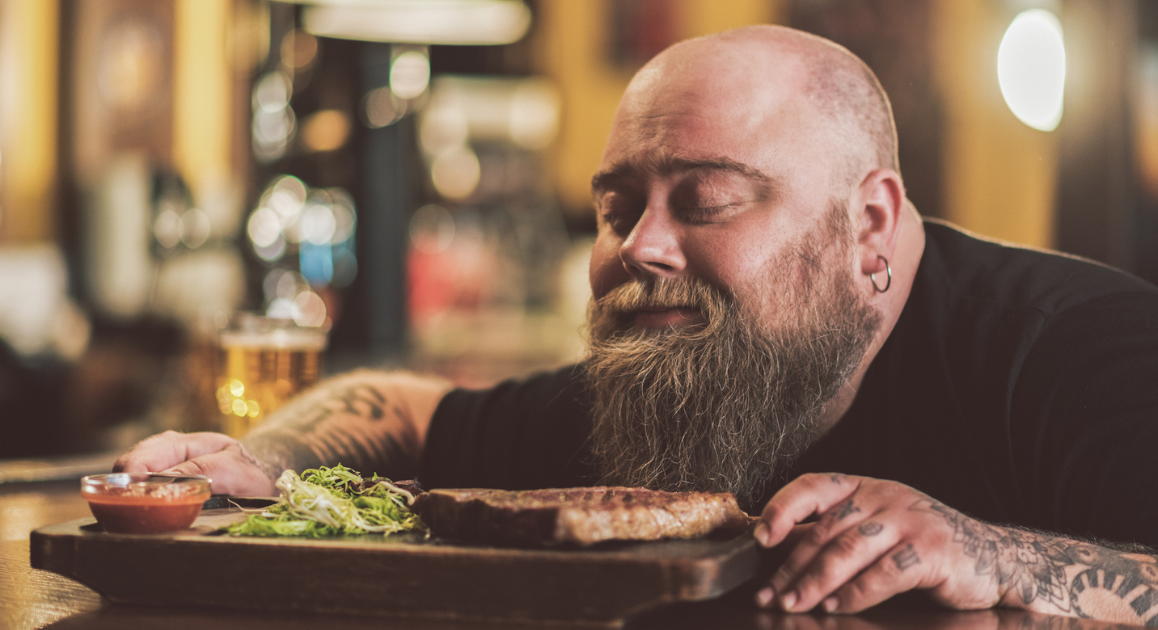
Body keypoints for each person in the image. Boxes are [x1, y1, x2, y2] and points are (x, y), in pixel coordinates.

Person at [116, 25, 1158, 625]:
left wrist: (1004, 557)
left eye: (705, 200)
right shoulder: (682, 372)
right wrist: (263, 455)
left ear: (871, 224)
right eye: (616, 208)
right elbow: (399, 405)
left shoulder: (1081, 352)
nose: (639, 247)